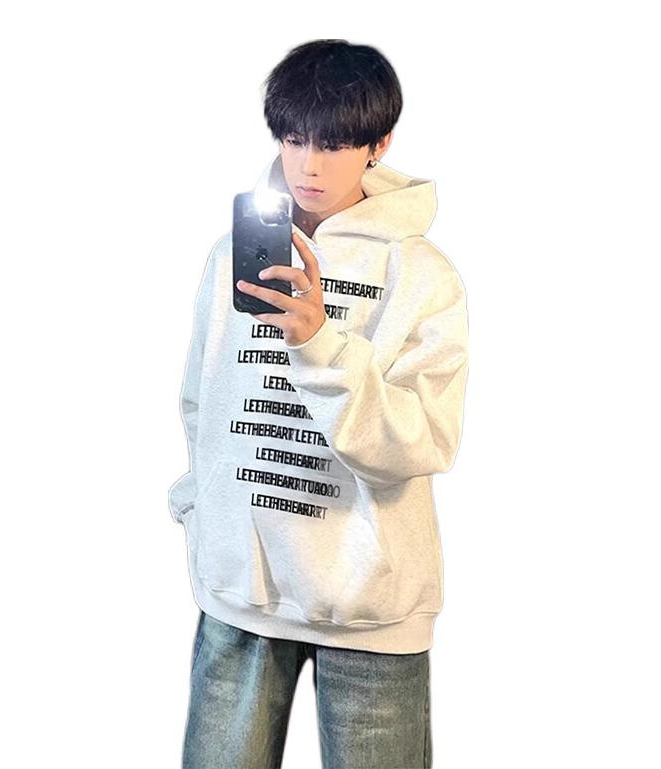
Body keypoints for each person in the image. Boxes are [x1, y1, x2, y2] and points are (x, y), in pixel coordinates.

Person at [168, 38, 469, 769]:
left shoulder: (421, 274)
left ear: (378, 144)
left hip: (370, 607)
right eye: (294, 138)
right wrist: (202, 509)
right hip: (239, 592)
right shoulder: (232, 255)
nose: (308, 164)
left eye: (333, 145)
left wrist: (319, 344)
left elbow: (423, 440)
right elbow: (202, 402)